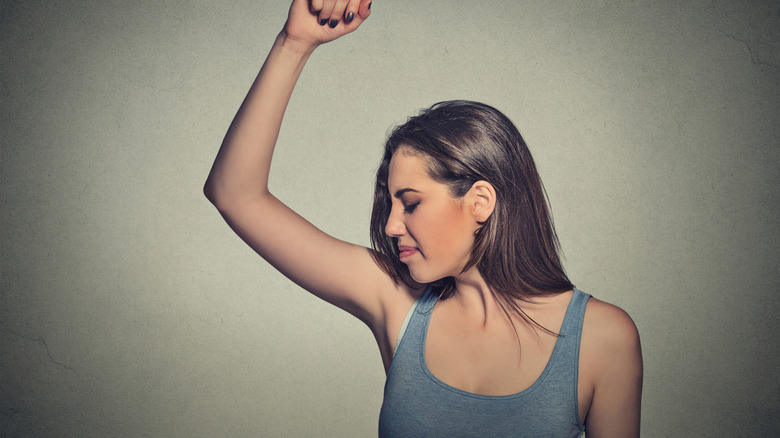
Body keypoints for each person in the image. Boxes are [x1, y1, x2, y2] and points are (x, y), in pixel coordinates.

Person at [204, 1, 643, 436]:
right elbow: (234, 194)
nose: (392, 226)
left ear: (480, 202)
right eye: (391, 204)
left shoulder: (602, 338)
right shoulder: (398, 301)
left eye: (410, 203)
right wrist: (294, 43)